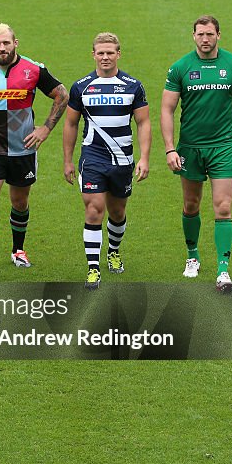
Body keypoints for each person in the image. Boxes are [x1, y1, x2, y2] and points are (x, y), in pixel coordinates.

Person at [0, 23, 68, 280]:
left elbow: (62, 95)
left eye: (6, 43)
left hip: (23, 149)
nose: (2, 48)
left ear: (15, 43)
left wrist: (45, 128)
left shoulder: (33, 69)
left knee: (20, 203)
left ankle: (18, 250)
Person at [161, 15, 232, 294]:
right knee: (191, 205)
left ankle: (223, 270)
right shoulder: (180, 67)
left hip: (223, 147)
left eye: (210, 34)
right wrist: (170, 148)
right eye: (200, 34)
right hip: (190, 147)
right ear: (193, 36)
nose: (205, 39)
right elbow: (167, 109)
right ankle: (193, 255)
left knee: (223, 207)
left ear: (218, 35)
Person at [62, 32, 151, 290]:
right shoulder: (81, 86)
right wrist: (68, 160)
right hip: (93, 158)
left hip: (123, 159)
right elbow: (70, 123)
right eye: (100, 52)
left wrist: (144, 158)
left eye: (110, 52)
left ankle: (113, 251)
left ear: (118, 54)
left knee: (117, 212)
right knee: (93, 210)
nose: (105, 57)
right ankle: (93, 268)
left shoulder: (133, 85)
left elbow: (144, 123)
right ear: (93, 54)